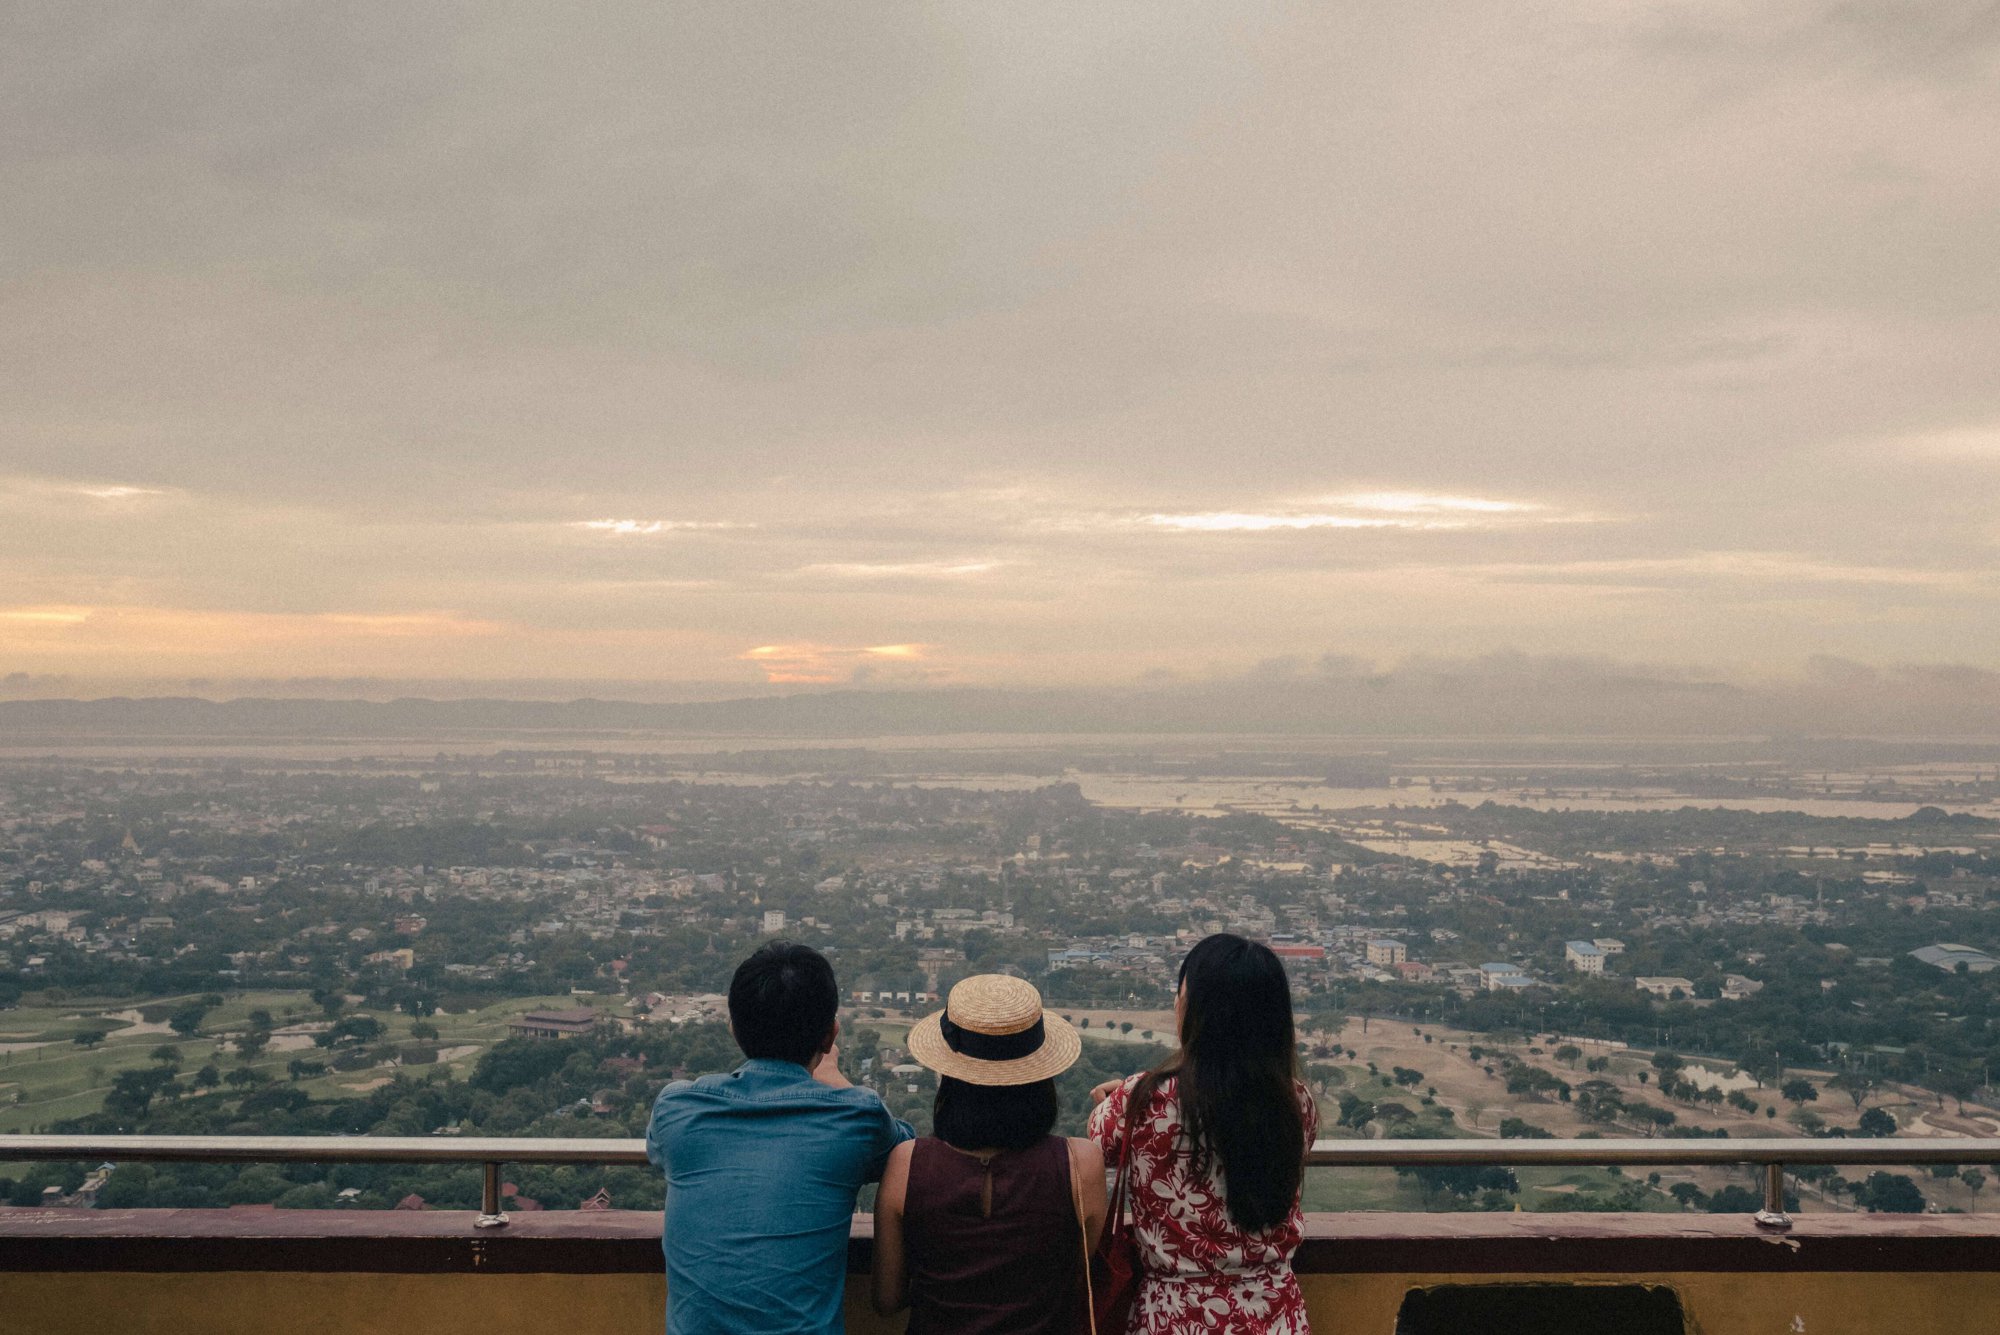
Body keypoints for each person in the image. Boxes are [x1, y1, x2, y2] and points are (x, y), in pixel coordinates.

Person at [648, 942, 914, 1335]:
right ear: (830, 1036)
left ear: (734, 1028)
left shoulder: (677, 1109)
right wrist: (835, 1082)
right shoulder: (856, 1117)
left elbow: (659, 1152)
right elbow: (905, 1147)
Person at [1087, 935, 1317, 1335]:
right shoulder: (1296, 1103)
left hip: (1174, 1316)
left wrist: (1113, 1097)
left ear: (1197, 1011)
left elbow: (1100, 1143)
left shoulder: (1141, 1100)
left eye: (1181, 994)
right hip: (1275, 1312)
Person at [872, 975, 1108, 1335]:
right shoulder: (1081, 1164)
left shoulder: (907, 1163)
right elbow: (1080, 1282)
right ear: (1040, 1073)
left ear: (951, 1074)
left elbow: (887, 1299)